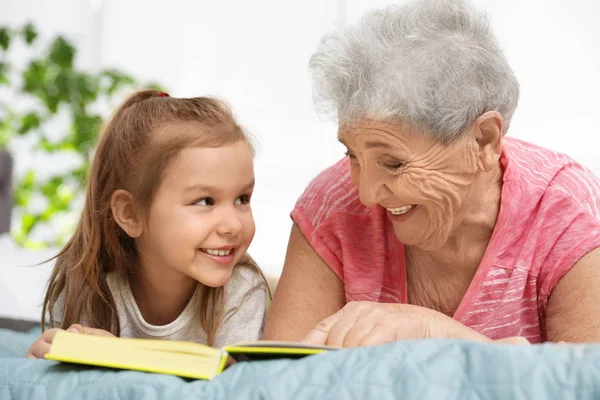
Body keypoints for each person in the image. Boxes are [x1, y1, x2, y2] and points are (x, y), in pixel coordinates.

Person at [263, 0, 600, 346]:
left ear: (483, 141)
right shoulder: (333, 203)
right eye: (352, 154)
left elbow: (586, 385)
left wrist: (433, 332)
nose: (366, 193)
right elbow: (278, 379)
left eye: (393, 163)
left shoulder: (566, 214)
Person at [27, 90, 268, 358]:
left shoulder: (241, 291)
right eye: (205, 201)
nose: (232, 225)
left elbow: (235, 386)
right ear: (131, 214)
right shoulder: (88, 288)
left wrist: (123, 356)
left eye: (242, 198)